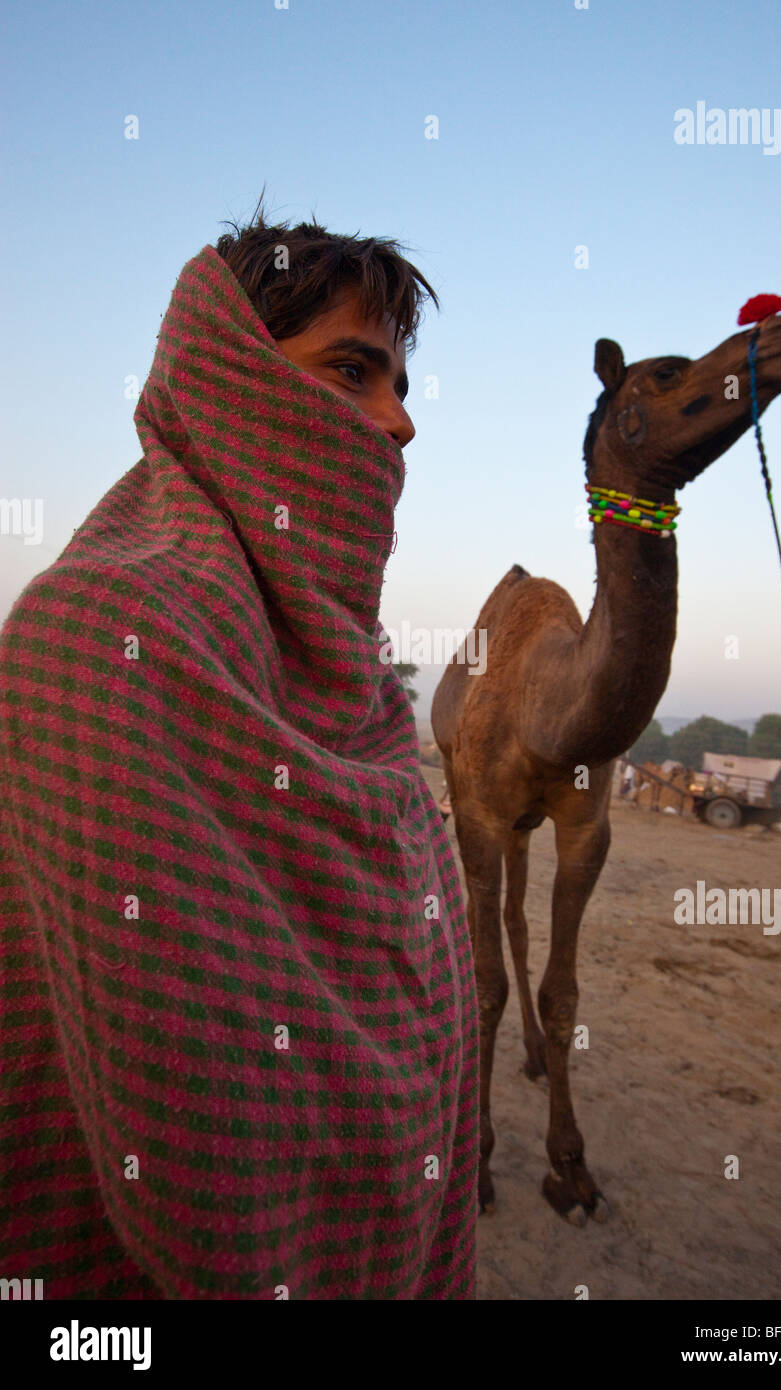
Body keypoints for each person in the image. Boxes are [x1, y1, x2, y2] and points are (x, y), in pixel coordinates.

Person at [0, 200, 479, 1299]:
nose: (398, 424)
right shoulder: (93, 640)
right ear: (232, 381)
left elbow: (432, 1015)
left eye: (400, 385)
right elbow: (186, 1114)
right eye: (352, 371)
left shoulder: (360, 692)